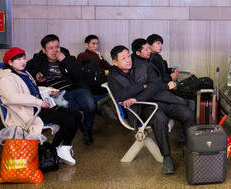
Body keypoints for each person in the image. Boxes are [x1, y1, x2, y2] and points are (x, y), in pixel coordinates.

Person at [0, 47, 81, 165]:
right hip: (28, 113)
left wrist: (48, 90)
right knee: (70, 118)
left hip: (36, 107)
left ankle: (57, 148)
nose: (23, 62)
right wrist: (40, 102)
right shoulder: (6, 79)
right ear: (10, 62)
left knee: (76, 114)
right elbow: (13, 97)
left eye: (24, 58)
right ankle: (60, 148)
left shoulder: (22, 72)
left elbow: (30, 90)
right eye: (18, 59)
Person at [108, 45, 194, 174]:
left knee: (188, 114)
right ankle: (167, 157)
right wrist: (143, 86)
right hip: (142, 109)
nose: (128, 60)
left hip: (160, 99)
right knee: (160, 118)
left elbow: (156, 85)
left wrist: (137, 96)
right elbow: (121, 95)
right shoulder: (113, 77)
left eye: (128, 56)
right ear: (115, 62)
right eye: (123, 58)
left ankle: (189, 150)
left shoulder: (142, 66)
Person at [26, 34, 96, 145]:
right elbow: (24, 70)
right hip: (54, 94)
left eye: (57, 47)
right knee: (75, 110)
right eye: (51, 48)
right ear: (44, 50)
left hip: (72, 89)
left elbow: (79, 75)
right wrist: (36, 74)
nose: (55, 51)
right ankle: (72, 129)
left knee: (91, 104)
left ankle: (86, 128)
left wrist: (64, 60)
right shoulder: (37, 60)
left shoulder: (67, 57)